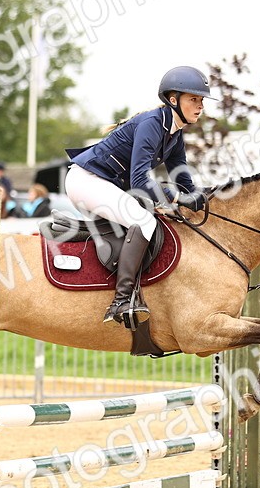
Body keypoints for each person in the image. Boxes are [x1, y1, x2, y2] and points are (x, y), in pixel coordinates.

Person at [64, 65, 211, 325]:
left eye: (201, 100)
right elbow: (139, 180)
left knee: (156, 217)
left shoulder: (174, 134)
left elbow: (182, 177)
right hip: (86, 180)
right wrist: (176, 197)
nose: (200, 106)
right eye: (193, 99)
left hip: (104, 184)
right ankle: (121, 301)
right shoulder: (152, 124)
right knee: (144, 221)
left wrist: (203, 197)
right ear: (173, 100)